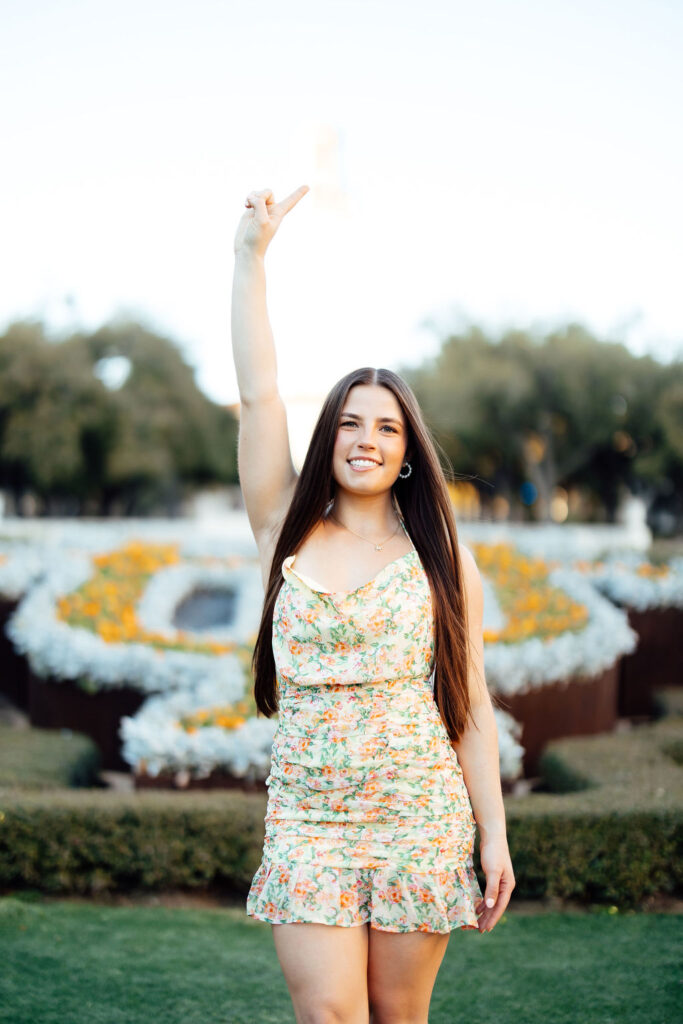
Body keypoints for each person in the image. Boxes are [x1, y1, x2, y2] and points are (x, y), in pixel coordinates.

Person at [231, 185, 515, 1024]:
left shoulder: (438, 555)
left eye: (386, 428)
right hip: (308, 818)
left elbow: (469, 707)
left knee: (398, 1018)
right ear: (330, 439)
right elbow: (258, 397)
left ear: (406, 454)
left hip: (418, 813)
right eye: (350, 423)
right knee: (329, 1016)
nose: (365, 438)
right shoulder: (283, 526)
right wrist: (248, 260)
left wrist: (491, 833)